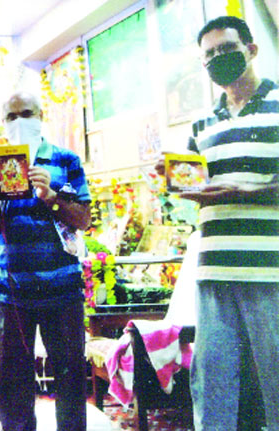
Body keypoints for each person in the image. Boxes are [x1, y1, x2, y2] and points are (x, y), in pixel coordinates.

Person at [159, 16, 278, 430]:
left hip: (270, 270)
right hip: (213, 269)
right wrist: (175, 180)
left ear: (251, 49)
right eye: (209, 55)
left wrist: (247, 192)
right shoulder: (201, 126)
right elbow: (193, 190)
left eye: (226, 49)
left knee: (277, 377)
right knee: (212, 381)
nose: (217, 59)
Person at [0, 91, 91, 431]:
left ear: (41, 116)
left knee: (70, 379)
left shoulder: (66, 161)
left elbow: (83, 218)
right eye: (11, 117)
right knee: (12, 384)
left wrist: (52, 197)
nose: (19, 122)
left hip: (63, 289)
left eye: (26, 113)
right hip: (11, 291)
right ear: (3, 122)